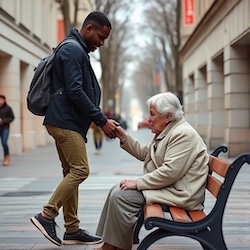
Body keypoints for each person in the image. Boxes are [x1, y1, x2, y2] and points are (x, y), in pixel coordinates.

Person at [30, 11, 119, 247]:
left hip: (65, 121)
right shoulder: (73, 50)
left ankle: (72, 229)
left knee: (71, 171)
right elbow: (75, 91)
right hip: (64, 122)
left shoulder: (75, 49)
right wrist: (101, 120)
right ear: (89, 29)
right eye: (101, 37)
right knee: (80, 170)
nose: (101, 43)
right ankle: (47, 215)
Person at [95, 92, 210, 250]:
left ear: (168, 115)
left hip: (180, 194)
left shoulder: (182, 134)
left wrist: (137, 183)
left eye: (152, 114)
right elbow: (147, 153)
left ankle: (114, 246)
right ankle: (110, 244)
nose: (148, 119)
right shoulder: (169, 130)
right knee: (116, 190)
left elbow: (169, 172)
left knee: (120, 196)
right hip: (171, 188)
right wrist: (124, 137)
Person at [0, 95, 15, 166]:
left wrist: (3, 121)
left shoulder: (8, 108)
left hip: (5, 128)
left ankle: (6, 157)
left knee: (4, 142)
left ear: (4, 100)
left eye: (1, 99)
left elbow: (12, 117)